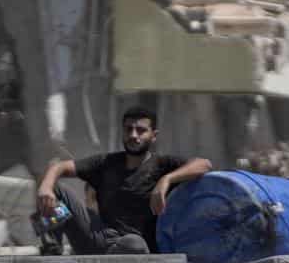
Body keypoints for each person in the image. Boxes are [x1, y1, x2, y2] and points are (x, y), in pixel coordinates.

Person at [35, 105, 212, 254]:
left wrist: (166, 180)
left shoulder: (162, 164)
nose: (134, 135)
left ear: (154, 135)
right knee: (54, 189)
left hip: (133, 249)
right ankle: (52, 248)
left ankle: (110, 260)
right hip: (97, 238)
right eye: (129, 129)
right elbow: (58, 167)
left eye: (141, 130)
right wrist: (45, 189)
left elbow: (204, 164)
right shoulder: (105, 163)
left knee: (134, 243)